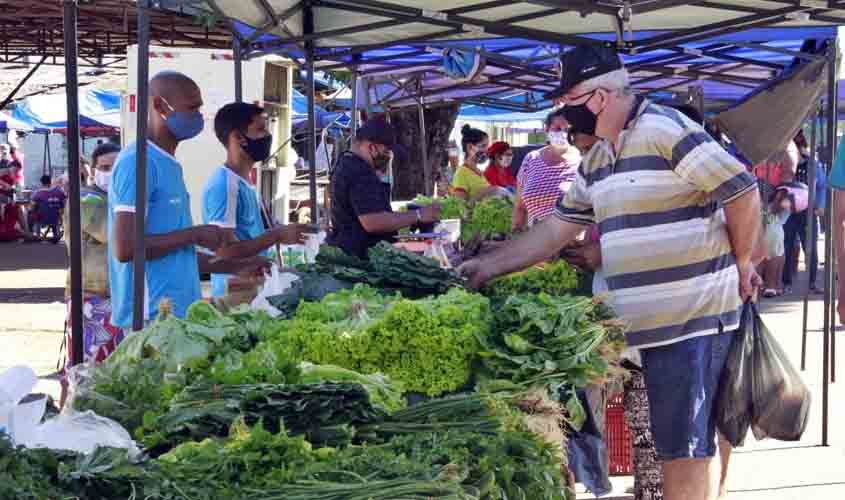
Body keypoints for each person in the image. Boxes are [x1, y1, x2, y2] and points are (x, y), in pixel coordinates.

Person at [459, 45, 761, 500]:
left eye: (568, 102)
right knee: (670, 448)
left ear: (599, 97)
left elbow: (742, 190)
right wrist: (487, 267)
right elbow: (555, 231)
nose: (563, 117)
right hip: (645, 330)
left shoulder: (666, 129)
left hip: (690, 321)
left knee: (684, 451)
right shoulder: (600, 158)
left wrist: (743, 263)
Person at [108, 71, 265, 329]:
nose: (198, 116)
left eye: (200, 108)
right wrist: (194, 234)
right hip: (151, 316)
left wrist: (239, 266)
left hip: (178, 313)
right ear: (159, 106)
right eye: (191, 108)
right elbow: (125, 249)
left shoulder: (169, 164)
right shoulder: (138, 163)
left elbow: (177, 256)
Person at [202, 102, 306, 297]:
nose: (267, 135)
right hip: (234, 293)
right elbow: (224, 252)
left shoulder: (245, 181)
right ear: (237, 137)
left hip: (254, 287)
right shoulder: (224, 185)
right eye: (260, 129)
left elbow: (251, 234)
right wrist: (275, 235)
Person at [59, 142, 123, 407]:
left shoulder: (115, 202)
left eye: (116, 168)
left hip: (113, 299)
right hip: (91, 299)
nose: (110, 173)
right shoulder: (87, 201)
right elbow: (116, 233)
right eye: (105, 168)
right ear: (93, 170)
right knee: (85, 371)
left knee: (106, 371)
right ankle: (69, 420)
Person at [326, 117, 439, 260]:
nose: (388, 156)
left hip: (352, 252)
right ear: (371, 147)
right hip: (361, 258)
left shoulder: (345, 161)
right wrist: (418, 215)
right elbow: (372, 221)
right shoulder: (359, 171)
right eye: (386, 151)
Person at [512, 108, 580, 231]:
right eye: (557, 129)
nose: (563, 134)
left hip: (570, 242)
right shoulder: (531, 159)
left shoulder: (581, 161)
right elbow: (520, 207)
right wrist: (515, 235)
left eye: (567, 130)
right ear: (547, 129)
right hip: (535, 241)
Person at [783, 138, 824, 293]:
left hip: (808, 210)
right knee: (786, 245)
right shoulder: (785, 164)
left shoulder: (813, 165)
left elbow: (821, 185)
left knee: (810, 247)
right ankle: (786, 282)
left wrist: (819, 205)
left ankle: (812, 282)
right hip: (788, 211)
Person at [450, 125, 507, 201]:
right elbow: (461, 206)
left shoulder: (479, 172)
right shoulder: (461, 173)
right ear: (470, 147)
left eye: (487, 146)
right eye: (483, 146)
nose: (487, 150)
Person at [31, 174, 67, 241]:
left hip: (42, 218)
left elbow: (32, 207)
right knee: (52, 211)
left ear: (41, 183)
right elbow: (65, 202)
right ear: (50, 182)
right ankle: (55, 233)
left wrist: (33, 211)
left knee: (31, 213)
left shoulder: (37, 193)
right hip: (56, 218)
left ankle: (36, 234)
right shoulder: (59, 192)